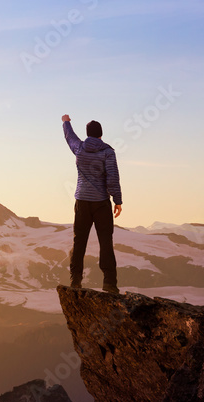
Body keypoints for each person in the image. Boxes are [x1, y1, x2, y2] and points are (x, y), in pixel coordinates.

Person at [62, 114, 122, 294]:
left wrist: (66, 122)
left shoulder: (79, 148)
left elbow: (69, 137)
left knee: (79, 242)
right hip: (101, 204)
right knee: (105, 242)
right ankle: (109, 284)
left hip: (82, 202)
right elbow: (112, 178)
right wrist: (117, 200)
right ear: (101, 135)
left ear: (87, 134)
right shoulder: (108, 152)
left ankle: (75, 281)